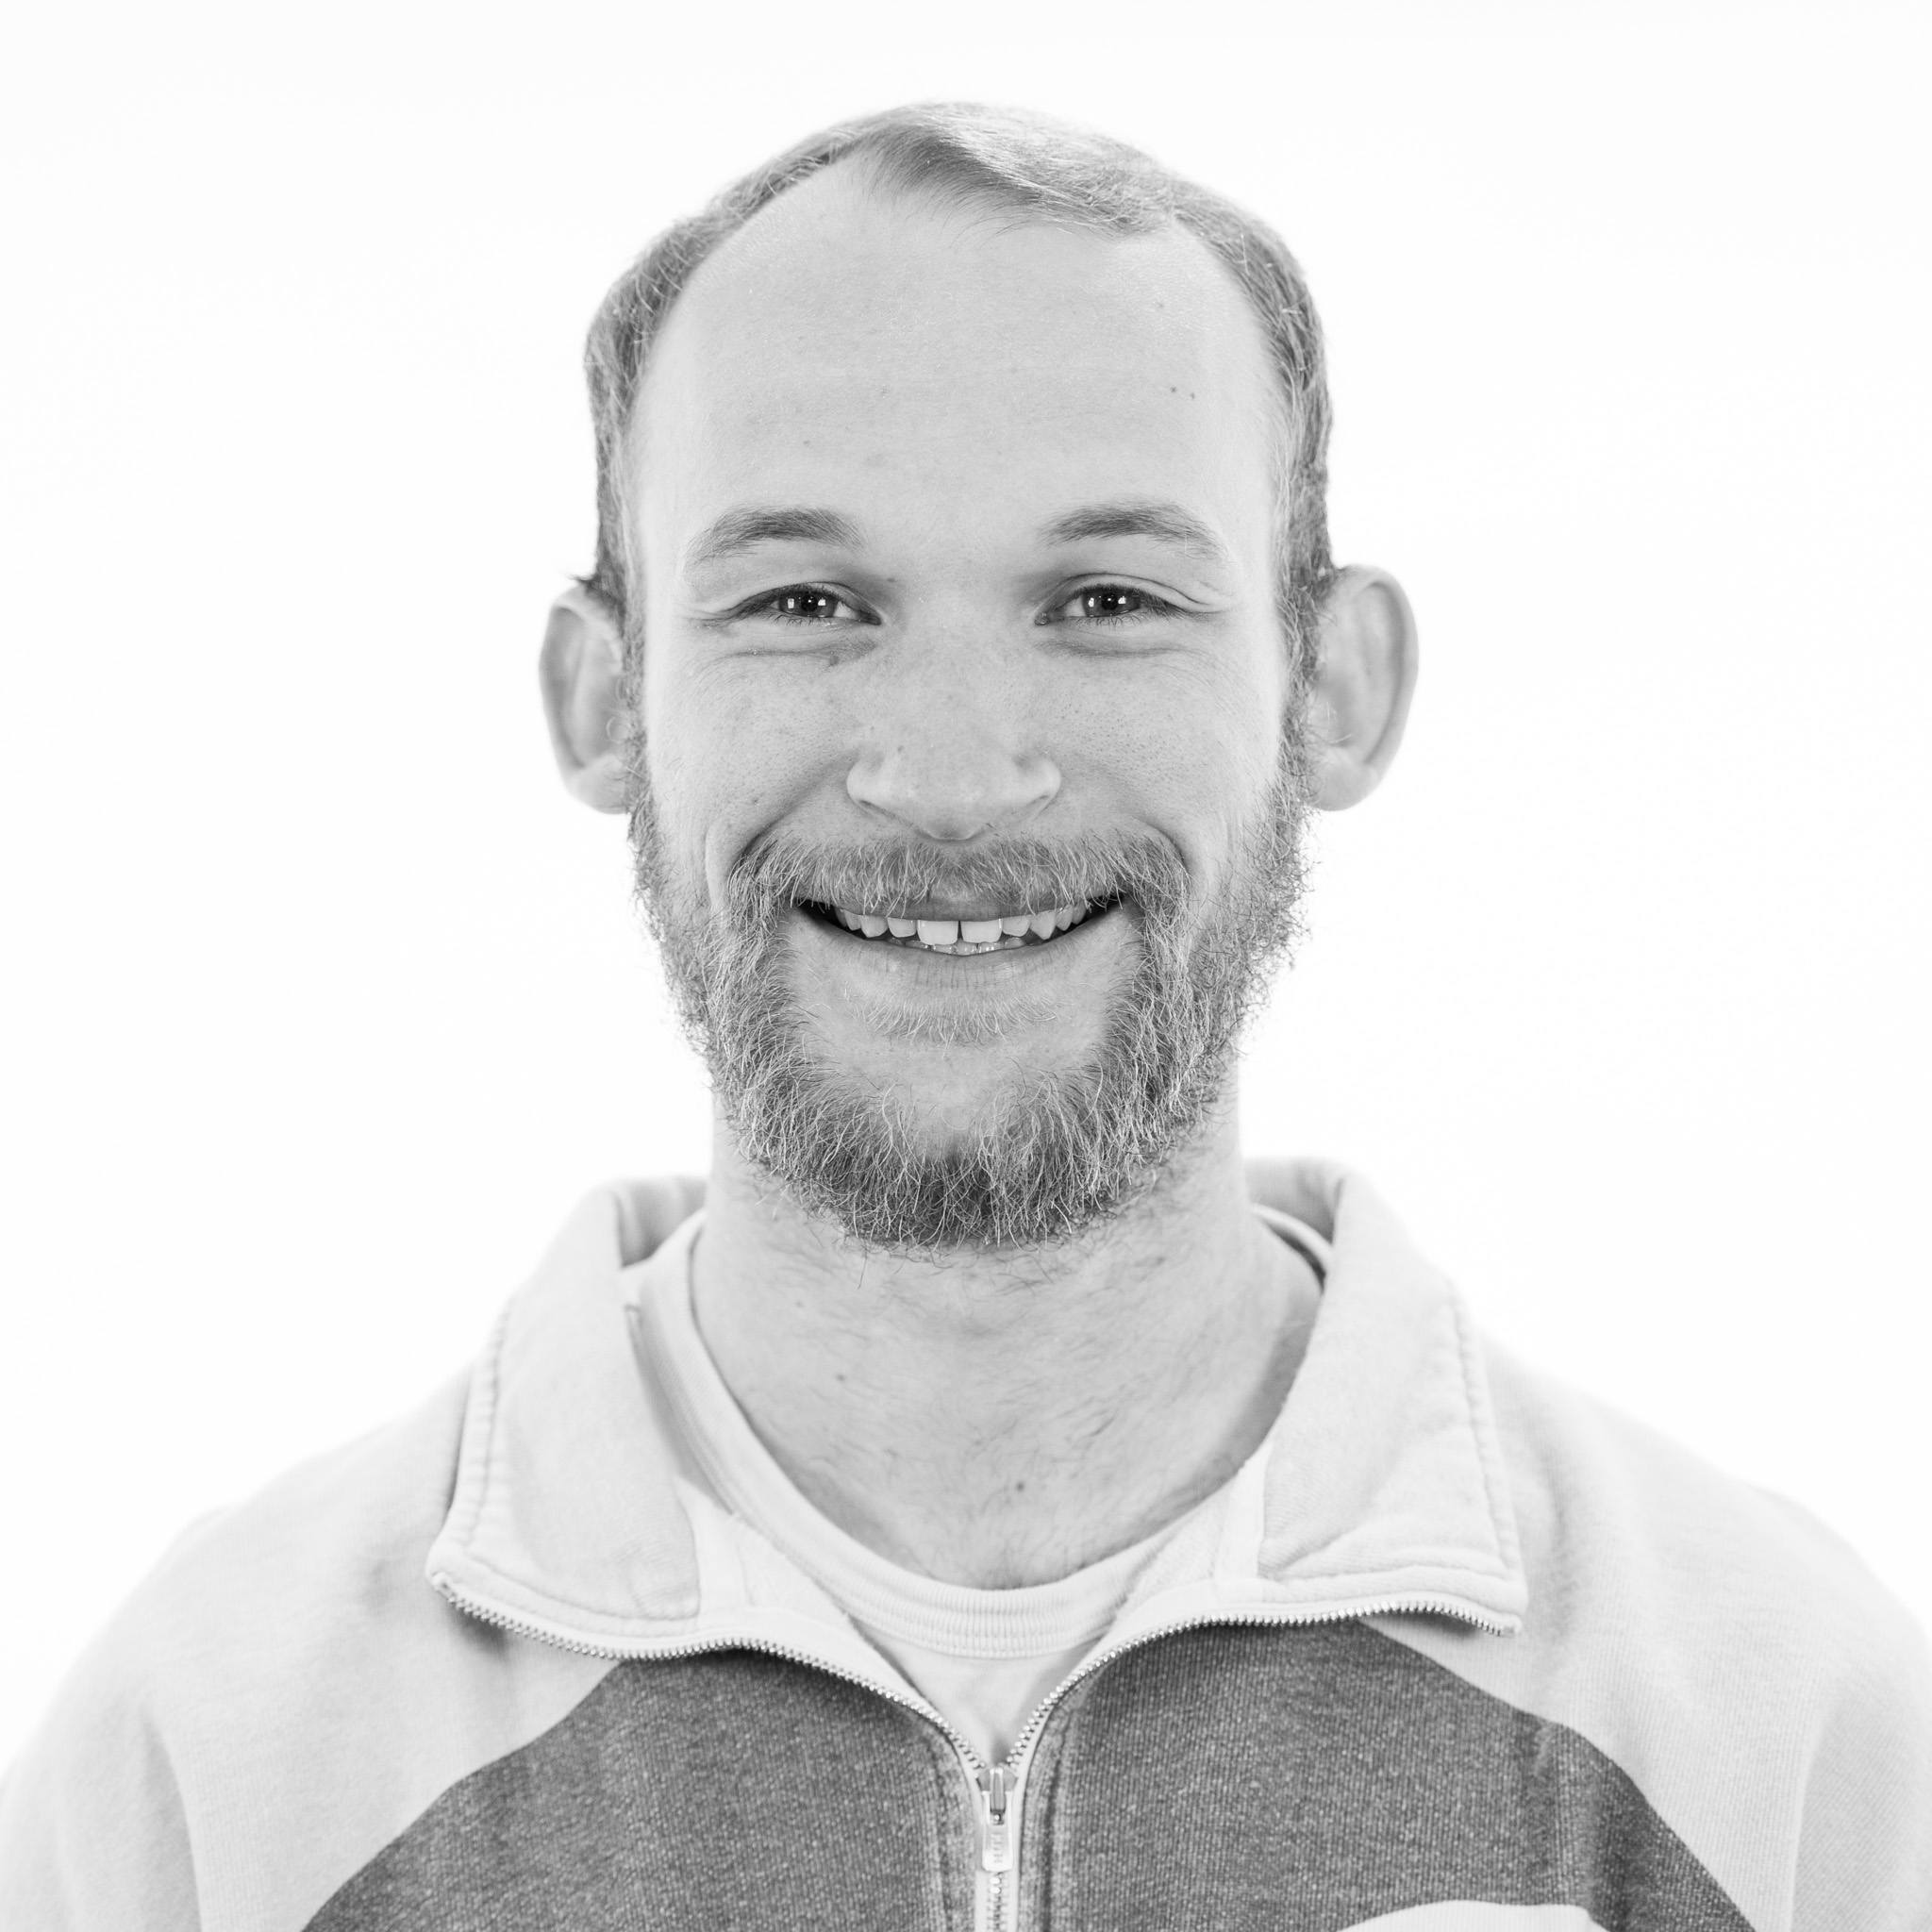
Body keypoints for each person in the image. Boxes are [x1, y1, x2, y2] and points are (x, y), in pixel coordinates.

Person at [2, 100, 1926, 1932]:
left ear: (1331, 685)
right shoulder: (218, 1752)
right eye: (805, 602)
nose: (949, 774)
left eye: (1103, 599)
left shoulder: (1773, 1729)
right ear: (608, 700)